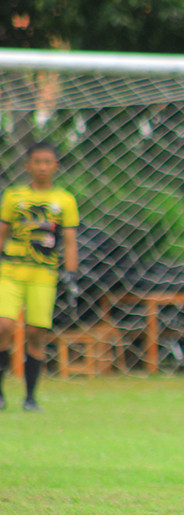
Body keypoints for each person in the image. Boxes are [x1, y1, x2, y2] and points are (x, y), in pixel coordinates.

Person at [0, 141, 80, 412]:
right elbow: (2, 232)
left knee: (36, 333)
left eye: (48, 162)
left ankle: (30, 397)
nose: (42, 167)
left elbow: (69, 241)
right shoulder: (13, 196)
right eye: (37, 162)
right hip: (11, 271)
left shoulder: (65, 200)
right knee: (3, 326)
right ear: (28, 165)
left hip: (43, 274)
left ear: (55, 166)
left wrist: (71, 274)